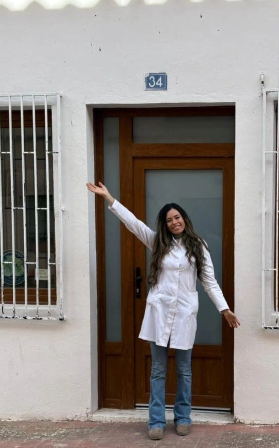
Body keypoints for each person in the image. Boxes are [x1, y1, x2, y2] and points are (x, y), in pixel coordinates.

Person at [86, 182, 240, 440]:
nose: (174, 222)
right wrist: (110, 199)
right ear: (165, 224)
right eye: (169, 220)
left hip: (184, 315)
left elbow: (209, 281)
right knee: (158, 370)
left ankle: (183, 417)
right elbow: (133, 224)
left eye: (177, 217)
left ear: (184, 219)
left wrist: (224, 310)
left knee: (184, 370)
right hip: (160, 313)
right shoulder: (158, 243)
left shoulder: (198, 246)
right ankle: (156, 421)